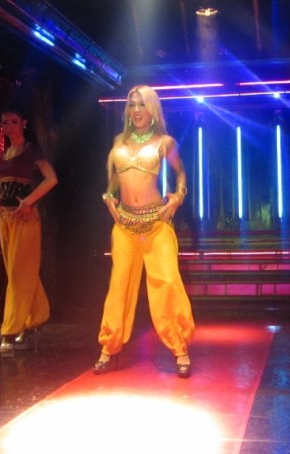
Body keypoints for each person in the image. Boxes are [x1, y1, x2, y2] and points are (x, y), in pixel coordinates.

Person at [94, 85, 195, 378]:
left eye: (142, 105)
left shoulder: (164, 142)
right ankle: (108, 347)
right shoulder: (119, 141)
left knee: (166, 282)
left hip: (156, 224)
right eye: (132, 105)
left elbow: (181, 174)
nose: (136, 110)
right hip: (124, 225)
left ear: (153, 109)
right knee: (119, 285)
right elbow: (114, 182)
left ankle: (180, 348)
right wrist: (108, 198)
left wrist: (177, 198)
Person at [0, 108, 57, 354]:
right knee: (20, 272)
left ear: (24, 123)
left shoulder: (32, 150)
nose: (9, 126)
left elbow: (51, 179)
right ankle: (37, 316)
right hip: (6, 218)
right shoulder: (5, 154)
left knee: (19, 273)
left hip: (25, 218)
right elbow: (1, 183)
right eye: (5, 122)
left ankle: (10, 330)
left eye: (14, 121)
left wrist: (28, 201)